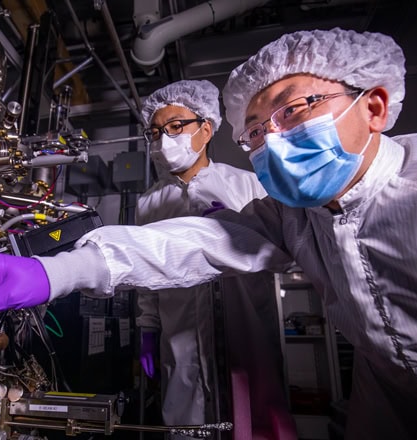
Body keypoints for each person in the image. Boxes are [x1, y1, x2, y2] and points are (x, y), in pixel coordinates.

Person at [0, 27, 417, 439]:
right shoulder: (292, 214)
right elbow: (193, 243)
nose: (272, 140)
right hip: (385, 400)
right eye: (257, 130)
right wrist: (52, 271)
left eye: (295, 110)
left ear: (376, 106)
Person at [135, 79, 295, 439]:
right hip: (179, 335)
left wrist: (235, 231)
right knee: (187, 425)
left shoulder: (249, 185)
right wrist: (148, 326)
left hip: (248, 329)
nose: (165, 139)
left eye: (176, 126)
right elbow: (144, 272)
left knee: (255, 421)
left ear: (205, 128)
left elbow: (281, 251)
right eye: (156, 131)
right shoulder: (148, 203)